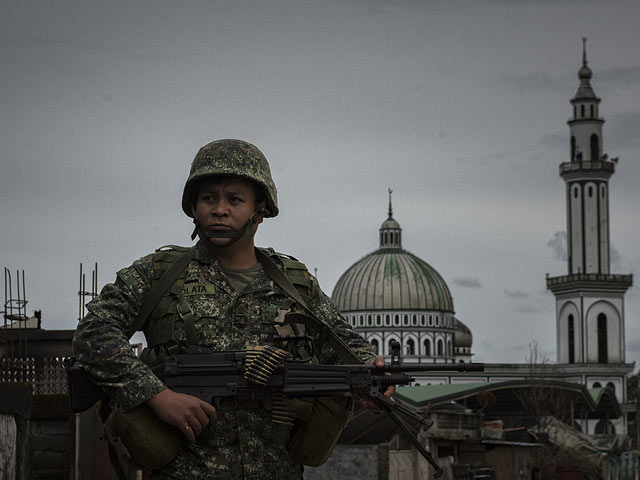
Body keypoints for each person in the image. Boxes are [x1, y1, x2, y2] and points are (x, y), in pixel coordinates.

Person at [73, 139, 393, 479]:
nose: (220, 209)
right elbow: (93, 335)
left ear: (260, 211)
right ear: (194, 206)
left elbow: (343, 345)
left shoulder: (294, 283)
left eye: (234, 199)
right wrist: (157, 395)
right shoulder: (158, 274)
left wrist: (369, 374)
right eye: (209, 197)